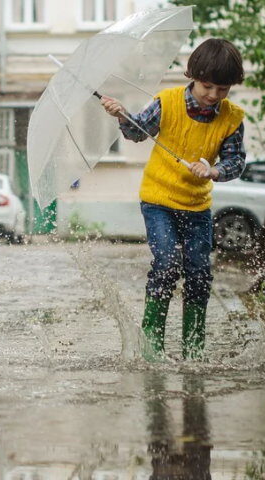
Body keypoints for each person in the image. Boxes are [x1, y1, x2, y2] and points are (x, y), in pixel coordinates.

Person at [100, 38, 246, 360]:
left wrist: (215, 171)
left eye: (223, 89)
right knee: (166, 264)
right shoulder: (167, 102)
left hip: (197, 206)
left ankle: (193, 351)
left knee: (198, 272)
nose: (214, 95)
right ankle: (152, 350)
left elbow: (236, 162)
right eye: (208, 86)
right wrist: (122, 114)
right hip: (158, 201)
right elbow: (137, 132)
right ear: (192, 75)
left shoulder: (232, 118)